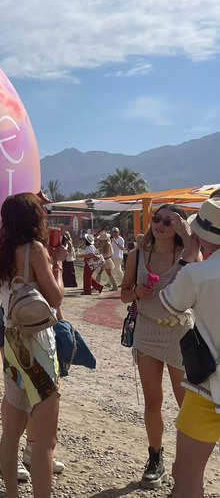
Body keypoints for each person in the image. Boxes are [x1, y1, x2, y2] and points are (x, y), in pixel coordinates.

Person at [119, 203, 202, 488]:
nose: (160, 225)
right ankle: (155, 458)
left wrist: (186, 228)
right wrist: (137, 293)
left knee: (186, 405)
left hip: (180, 334)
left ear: (178, 227)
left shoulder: (187, 254)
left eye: (169, 222)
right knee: (153, 401)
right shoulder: (137, 255)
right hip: (147, 333)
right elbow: (123, 294)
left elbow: (198, 262)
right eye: (157, 219)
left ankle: (186, 464)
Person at [0, 192, 64, 498]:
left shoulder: (2, 253)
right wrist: (58, 266)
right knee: (44, 440)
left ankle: (11, 493)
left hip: (12, 343)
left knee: (11, 431)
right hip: (37, 345)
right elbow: (56, 298)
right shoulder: (34, 250)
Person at [157, 198, 220, 498]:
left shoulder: (198, 273)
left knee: (185, 474)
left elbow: (168, 302)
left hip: (208, 387)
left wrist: (188, 256)